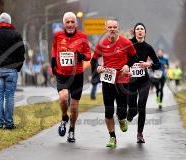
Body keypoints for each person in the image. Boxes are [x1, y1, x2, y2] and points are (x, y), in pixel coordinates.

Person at [91, 17, 136, 148]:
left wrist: (128, 65)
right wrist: (98, 68)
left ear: (118, 29)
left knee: (122, 110)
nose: (112, 30)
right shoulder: (101, 44)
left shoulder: (126, 42)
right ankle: (112, 137)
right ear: (106, 29)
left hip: (122, 80)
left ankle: (122, 119)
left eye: (114, 27)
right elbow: (93, 61)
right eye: (109, 27)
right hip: (107, 81)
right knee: (108, 111)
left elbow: (134, 58)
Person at [51, 12, 91, 143]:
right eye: (67, 22)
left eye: (72, 22)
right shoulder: (58, 35)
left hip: (77, 75)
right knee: (63, 98)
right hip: (62, 74)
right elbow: (54, 48)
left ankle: (72, 130)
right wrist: (53, 61)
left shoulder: (82, 36)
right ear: (63, 24)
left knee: (74, 106)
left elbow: (89, 55)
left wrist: (82, 57)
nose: (70, 25)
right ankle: (64, 118)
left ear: (76, 23)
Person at [0, 12, 25, 129]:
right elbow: (21, 53)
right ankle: (9, 123)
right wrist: (18, 67)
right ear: (9, 22)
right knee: (9, 97)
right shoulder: (16, 34)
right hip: (12, 70)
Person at [127, 23, 160, 143]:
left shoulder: (148, 47)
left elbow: (158, 64)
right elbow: (121, 58)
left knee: (142, 106)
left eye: (142, 29)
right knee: (133, 108)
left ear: (145, 33)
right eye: (137, 29)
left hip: (144, 81)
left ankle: (140, 134)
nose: (140, 31)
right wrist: (126, 68)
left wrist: (149, 64)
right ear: (134, 32)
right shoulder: (128, 44)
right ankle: (130, 114)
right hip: (131, 80)